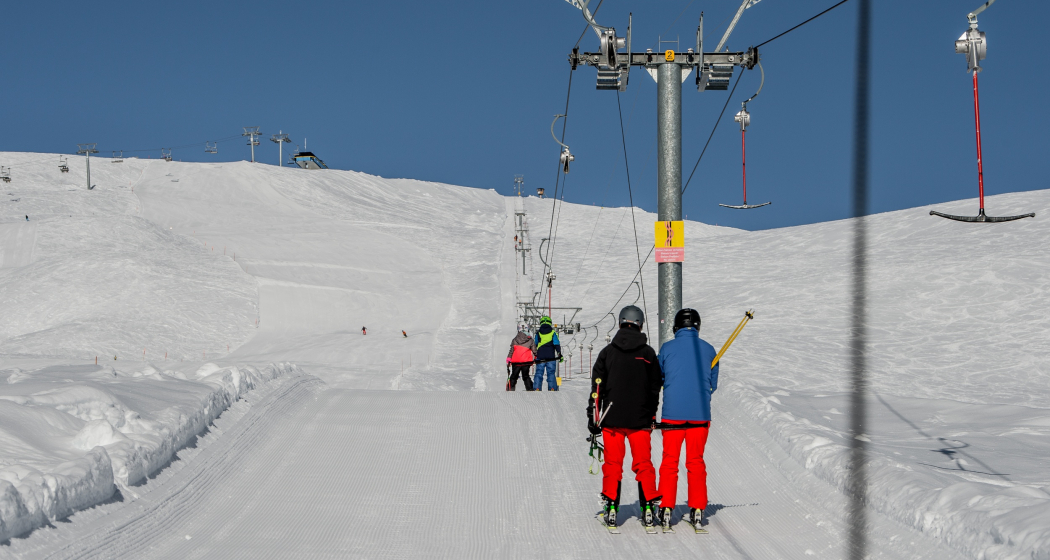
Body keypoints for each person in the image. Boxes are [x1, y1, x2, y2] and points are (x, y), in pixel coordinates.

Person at [587, 305, 663, 529]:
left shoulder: (607, 352)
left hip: (612, 419)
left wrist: (593, 417)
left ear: (621, 322)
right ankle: (648, 506)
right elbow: (655, 388)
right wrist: (651, 413)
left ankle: (611, 506)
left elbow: (597, 388)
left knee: (613, 463)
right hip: (640, 420)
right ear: (640, 324)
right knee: (643, 463)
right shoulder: (648, 353)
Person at [656, 308, 719, 532]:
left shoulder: (667, 348)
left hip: (672, 416)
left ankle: (665, 506)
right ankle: (698, 509)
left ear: (676, 327)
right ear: (697, 326)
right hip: (699, 417)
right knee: (695, 462)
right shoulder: (709, 350)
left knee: (669, 461)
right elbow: (712, 385)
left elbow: (659, 377)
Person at [532, 316, 562, 391]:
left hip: (540, 356)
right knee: (551, 373)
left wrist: (535, 355)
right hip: (551, 357)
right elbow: (556, 344)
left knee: (539, 373)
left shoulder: (538, 333)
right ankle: (552, 388)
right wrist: (559, 353)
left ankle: (537, 388)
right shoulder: (553, 333)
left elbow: (535, 344)